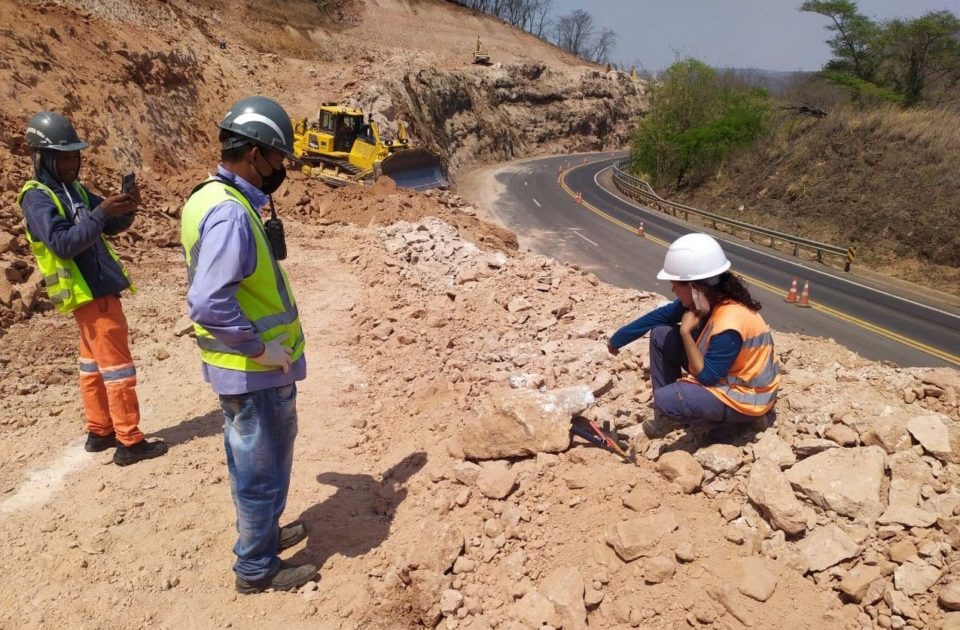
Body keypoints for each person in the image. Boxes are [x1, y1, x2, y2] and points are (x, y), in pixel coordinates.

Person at [180, 96, 315, 594]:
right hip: (255, 370)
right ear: (254, 153)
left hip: (241, 368)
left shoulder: (208, 196)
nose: (280, 169)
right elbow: (210, 301)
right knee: (263, 467)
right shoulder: (231, 214)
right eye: (277, 158)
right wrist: (260, 349)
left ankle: (265, 536)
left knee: (253, 462)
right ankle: (256, 568)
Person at [17, 111, 168, 466]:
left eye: (76, 155)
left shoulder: (72, 190)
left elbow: (108, 224)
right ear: (43, 157)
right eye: (66, 156)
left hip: (93, 292)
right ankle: (129, 441)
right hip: (92, 294)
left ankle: (100, 430)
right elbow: (63, 244)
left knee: (93, 365)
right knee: (118, 368)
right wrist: (100, 214)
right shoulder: (36, 197)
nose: (74, 163)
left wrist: (127, 208)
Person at [607, 233, 780, 439]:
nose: (672, 288)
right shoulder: (707, 302)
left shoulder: (730, 322)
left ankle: (729, 423)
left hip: (749, 396)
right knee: (661, 334)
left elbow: (707, 377)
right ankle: (668, 419)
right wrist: (617, 339)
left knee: (668, 398)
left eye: (676, 284)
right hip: (728, 378)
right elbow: (658, 318)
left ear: (695, 286)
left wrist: (686, 333)